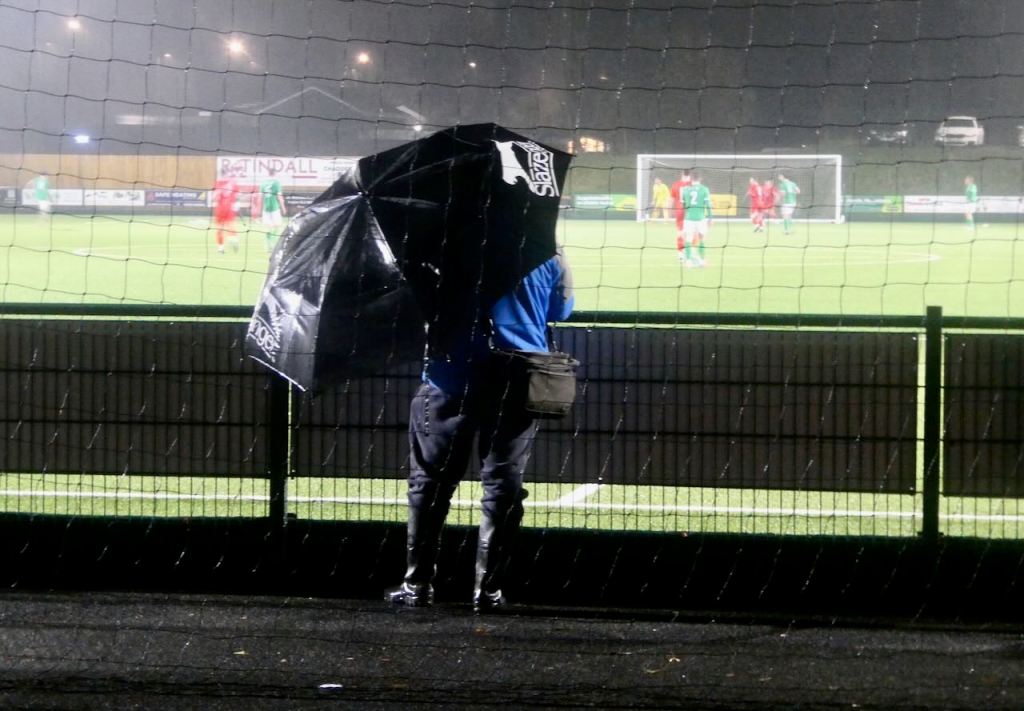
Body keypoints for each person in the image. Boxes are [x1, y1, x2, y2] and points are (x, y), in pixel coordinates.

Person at [385, 247, 575, 612]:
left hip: (448, 377)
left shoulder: (440, 249)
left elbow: (411, 309)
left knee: (429, 483)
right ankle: (488, 592)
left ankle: (418, 585)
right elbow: (561, 310)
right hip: (516, 378)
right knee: (502, 489)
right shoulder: (546, 251)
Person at [680, 173, 712, 267]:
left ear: (691, 179)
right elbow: (708, 205)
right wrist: (710, 217)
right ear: (700, 179)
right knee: (701, 239)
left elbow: (683, 206)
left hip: (689, 218)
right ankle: (702, 261)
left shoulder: (685, 190)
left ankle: (689, 262)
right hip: (700, 218)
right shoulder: (704, 189)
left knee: (688, 239)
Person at [259, 168, 287, 251]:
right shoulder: (276, 182)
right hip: (274, 207)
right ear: (275, 174)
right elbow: (279, 196)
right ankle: (271, 242)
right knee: (277, 225)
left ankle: (268, 244)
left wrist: (261, 209)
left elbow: (261, 197)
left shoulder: (263, 183)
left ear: (268, 173)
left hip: (266, 208)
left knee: (269, 227)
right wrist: (283, 207)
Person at [669, 170, 693, 259]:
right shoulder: (693, 184)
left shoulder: (675, 185)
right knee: (691, 232)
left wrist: (670, 211)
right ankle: (689, 252)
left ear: (682, 175)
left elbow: (671, 199)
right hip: (690, 211)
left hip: (679, 211)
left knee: (680, 232)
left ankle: (680, 253)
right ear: (690, 176)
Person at [212, 176, 239, 253]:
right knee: (230, 227)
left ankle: (221, 248)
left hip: (220, 209)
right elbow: (236, 196)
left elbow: (214, 197)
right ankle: (234, 240)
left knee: (219, 229)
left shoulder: (219, 182)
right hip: (229, 209)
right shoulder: (234, 182)